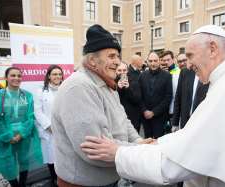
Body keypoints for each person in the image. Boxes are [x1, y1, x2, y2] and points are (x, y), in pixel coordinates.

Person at [81, 25, 225, 187]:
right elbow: (193, 137)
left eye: (190, 56)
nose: (188, 65)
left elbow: (175, 164)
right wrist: (159, 143)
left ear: (213, 48)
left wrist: (119, 153)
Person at [51, 24, 151, 187]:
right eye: (111, 56)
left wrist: (138, 142)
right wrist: (138, 151)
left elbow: (123, 121)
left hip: (109, 178)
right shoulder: (79, 87)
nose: (118, 62)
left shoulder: (107, 84)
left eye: (118, 56)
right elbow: (95, 151)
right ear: (92, 60)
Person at [0, 67, 42, 187]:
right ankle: (14, 184)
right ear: (6, 78)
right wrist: (7, 136)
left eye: (19, 76)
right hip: (4, 137)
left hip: (23, 135)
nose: (16, 78)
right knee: (8, 163)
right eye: (13, 75)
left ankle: (22, 184)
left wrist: (21, 134)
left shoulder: (28, 96)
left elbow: (30, 117)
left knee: (24, 161)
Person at [34, 65, 64, 186]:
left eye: (59, 74)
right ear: (49, 76)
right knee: (51, 156)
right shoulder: (40, 91)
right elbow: (37, 111)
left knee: (63, 156)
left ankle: (63, 179)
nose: (57, 76)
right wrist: (49, 126)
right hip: (49, 130)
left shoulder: (66, 89)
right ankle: (54, 179)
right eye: (54, 74)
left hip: (64, 129)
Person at [139, 51, 172, 138]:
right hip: (145, 117)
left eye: (155, 60)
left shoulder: (167, 76)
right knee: (147, 143)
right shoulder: (142, 75)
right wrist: (144, 110)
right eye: (150, 61)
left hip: (160, 117)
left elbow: (168, 97)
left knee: (158, 143)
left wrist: (154, 112)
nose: (153, 63)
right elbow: (139, 96)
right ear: (147, 61)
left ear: (159, 61)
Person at [116, 59, 142, 133]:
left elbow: (137, 100)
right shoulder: (112, 83)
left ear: (127, 71)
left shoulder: (134, 82)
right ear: (116, 71)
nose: (122, 72)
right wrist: (118, 89)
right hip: (118, 119)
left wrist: (128, 88)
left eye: (124, 70)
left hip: (132, 118)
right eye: (119, 70)